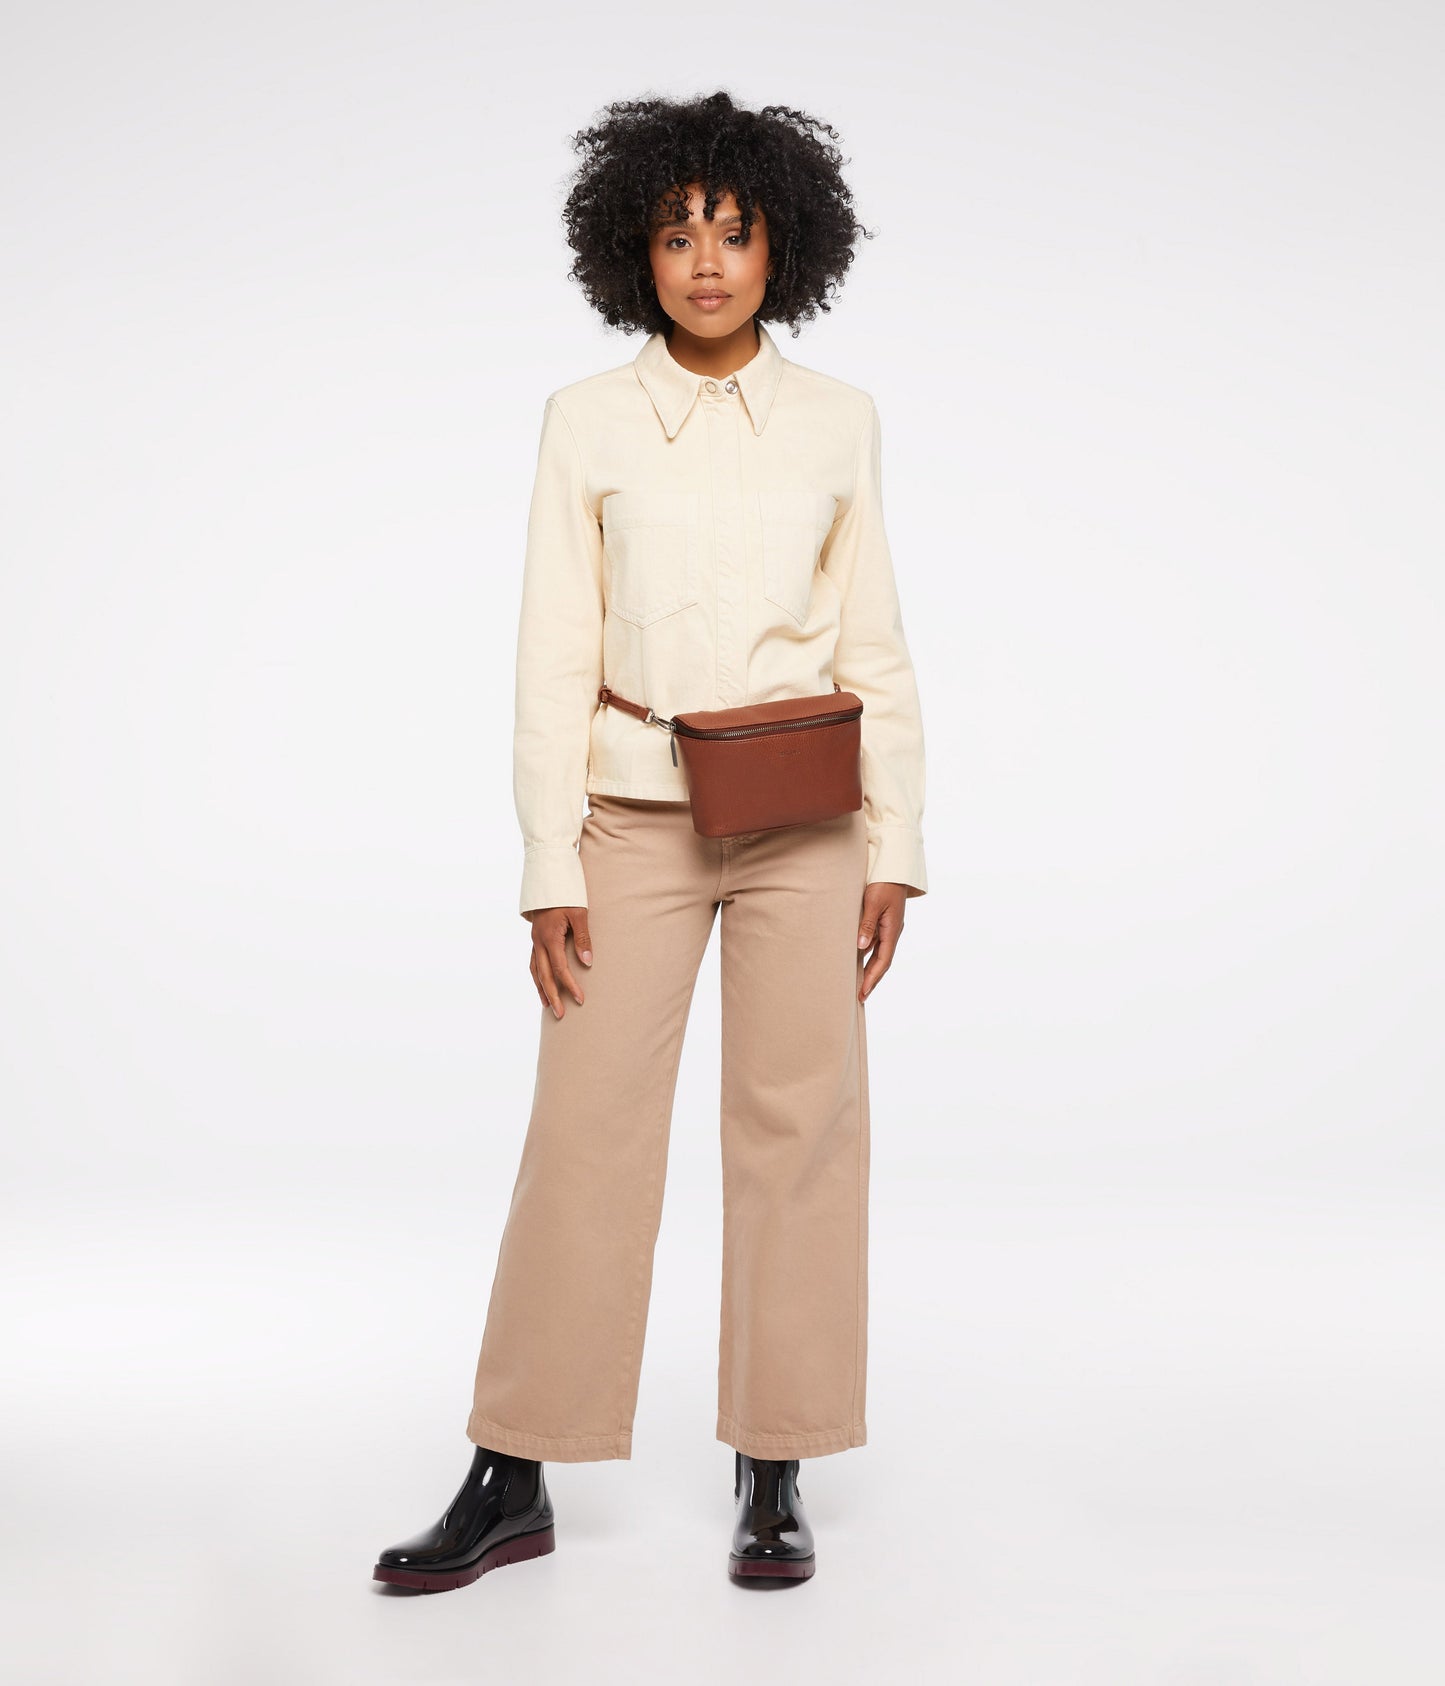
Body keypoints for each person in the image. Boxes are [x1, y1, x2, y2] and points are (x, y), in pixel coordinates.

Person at [373, 88, 928, 1593]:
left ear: (781, 246)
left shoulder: (840, 420)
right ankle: (513, 1468)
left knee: (799, 1134)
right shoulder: (587, 421)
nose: (706, 262)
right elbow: (552, 649)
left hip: (807, 821)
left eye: (733, 233)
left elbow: (872, 641)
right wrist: (548, 861)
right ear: (635, 250)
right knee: (584, 1132)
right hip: (631, 815)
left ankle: (774, 1463)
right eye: (678, 234)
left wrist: (895, 841)